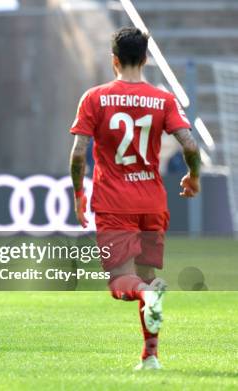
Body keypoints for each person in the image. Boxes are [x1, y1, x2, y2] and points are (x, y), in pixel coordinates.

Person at [69, 27, 201, 370]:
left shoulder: (95, 97)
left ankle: (147, 297)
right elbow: (189, 145)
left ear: (114, 60)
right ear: (145, 59)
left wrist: (78, 192)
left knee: (121, 283)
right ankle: (151, 356)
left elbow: (78, 154)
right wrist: (194, 176)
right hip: (152, 201)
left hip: (114, 202)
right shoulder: (163, 99)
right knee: (147, 278)